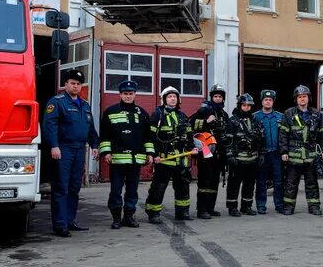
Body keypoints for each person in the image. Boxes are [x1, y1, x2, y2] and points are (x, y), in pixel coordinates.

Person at [42, 69, 99, 237]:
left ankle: (70, 221)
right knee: (61, 187)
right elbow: (49, 125)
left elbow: (90, 128)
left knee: (74, 187)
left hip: (79, 149)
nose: (76, 86)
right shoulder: (57, 102)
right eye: (72, 83)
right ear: (65, 84)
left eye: (78, 84)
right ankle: (60, 225)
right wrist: (54, 145)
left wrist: (94, 145)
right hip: (63, 149)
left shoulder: (84, 105)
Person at [97, 80, 154, 229]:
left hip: (136, 160)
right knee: (116, 190)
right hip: (117, 159)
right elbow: (105, 134)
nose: (128, 96)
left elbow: (148, 136)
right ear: (120, 94)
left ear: (135, 94)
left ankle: (129, 216)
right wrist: (107, 152)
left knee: (132, 190)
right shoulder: (110, 111)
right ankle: (116, 218)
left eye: (130, 94)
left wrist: (150, 153)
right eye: (125, 94)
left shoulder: (142, 113)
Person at [144, 86, 198, 223]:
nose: (172, 99)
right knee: (158, 187)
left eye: (175, 96)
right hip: (164, 159)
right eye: (169, 96)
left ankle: (182, 212)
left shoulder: (182, 116)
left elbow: (189, 136)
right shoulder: (158, 115)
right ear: (164, 99)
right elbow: (150, 137)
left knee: (183, 187)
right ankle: (153, 213)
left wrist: (193, 148)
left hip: (181, 159)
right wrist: (154, 154)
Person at [279, 85, 323, 216]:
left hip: (311, 154)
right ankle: (288, 207)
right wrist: (283, 152)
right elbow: (283, 134)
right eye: (299, 97)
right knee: (291, 183)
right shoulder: (289, 113)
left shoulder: (316, 113)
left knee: (312, 182)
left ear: (308, 98)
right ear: (296, 99)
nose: (302, 99)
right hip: (294, 154)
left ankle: (314, 206)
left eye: (304, 97)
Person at [191, 84, 231, 219]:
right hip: (206, 153)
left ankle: (210, 208)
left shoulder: (224, 114)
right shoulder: (204, 110)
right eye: (216, 96)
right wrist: (206, 121)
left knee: (214, 180)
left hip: (219, 153)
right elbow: (191, 124)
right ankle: (202, 209)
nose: (218, 99)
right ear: (211, 97)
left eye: (220, 96)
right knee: (204, 181)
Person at [225, 93, 264, 217]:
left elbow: (261, 138)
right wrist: (230, 156)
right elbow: (227, 141)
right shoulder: (232, 121)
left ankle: (246, 206)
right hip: (237, 159)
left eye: (248, 105)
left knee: (249, 184)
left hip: (252, 159)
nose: (246, 107)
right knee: (234, 185)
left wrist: (261, 154)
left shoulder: (255, 120)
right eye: (244, 105)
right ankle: (232, 208)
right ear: (239, 105)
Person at [253, 89, 285, 214]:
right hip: (262, 154)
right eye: (265, 100)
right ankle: (261, 205)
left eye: (270, 100)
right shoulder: (255, 117)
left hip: (276, 154)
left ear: (273, 102)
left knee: (278, 181)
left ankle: (279, 204)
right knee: (261, 181)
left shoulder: (280, 117)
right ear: (262, 102)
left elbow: (284, 135)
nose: (268, 102)